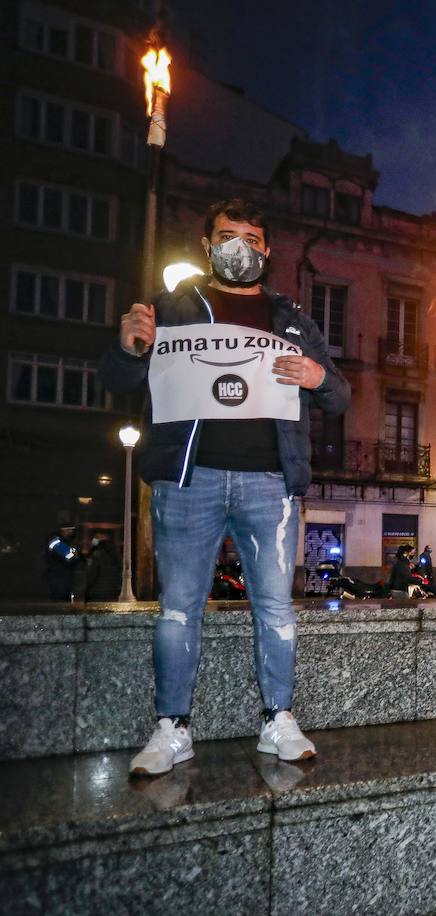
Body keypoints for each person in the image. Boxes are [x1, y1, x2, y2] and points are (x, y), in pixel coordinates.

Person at [101, 198, 351, 776]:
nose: (240, 246)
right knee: (178, 609)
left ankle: (278, 719)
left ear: (267, 249)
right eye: (227, 235)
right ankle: (172, 727)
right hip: (190, 479)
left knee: (276, 608)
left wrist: (317, 376)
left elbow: (338, 397)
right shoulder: (171, 308)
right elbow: (117, 378)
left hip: (270, 480)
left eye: (251, 237)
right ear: (207, 246)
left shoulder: (292, 319)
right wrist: (126, 346)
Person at [43, 524, 81, 601]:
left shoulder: (63, 541)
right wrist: (75, 553)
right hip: (59, 574)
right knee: (61, 597)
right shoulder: (56, 541)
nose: (72, 532)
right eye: (70, 530)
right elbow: (69, 556)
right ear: (64, 530)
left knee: (63, 596)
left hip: (61, 573)